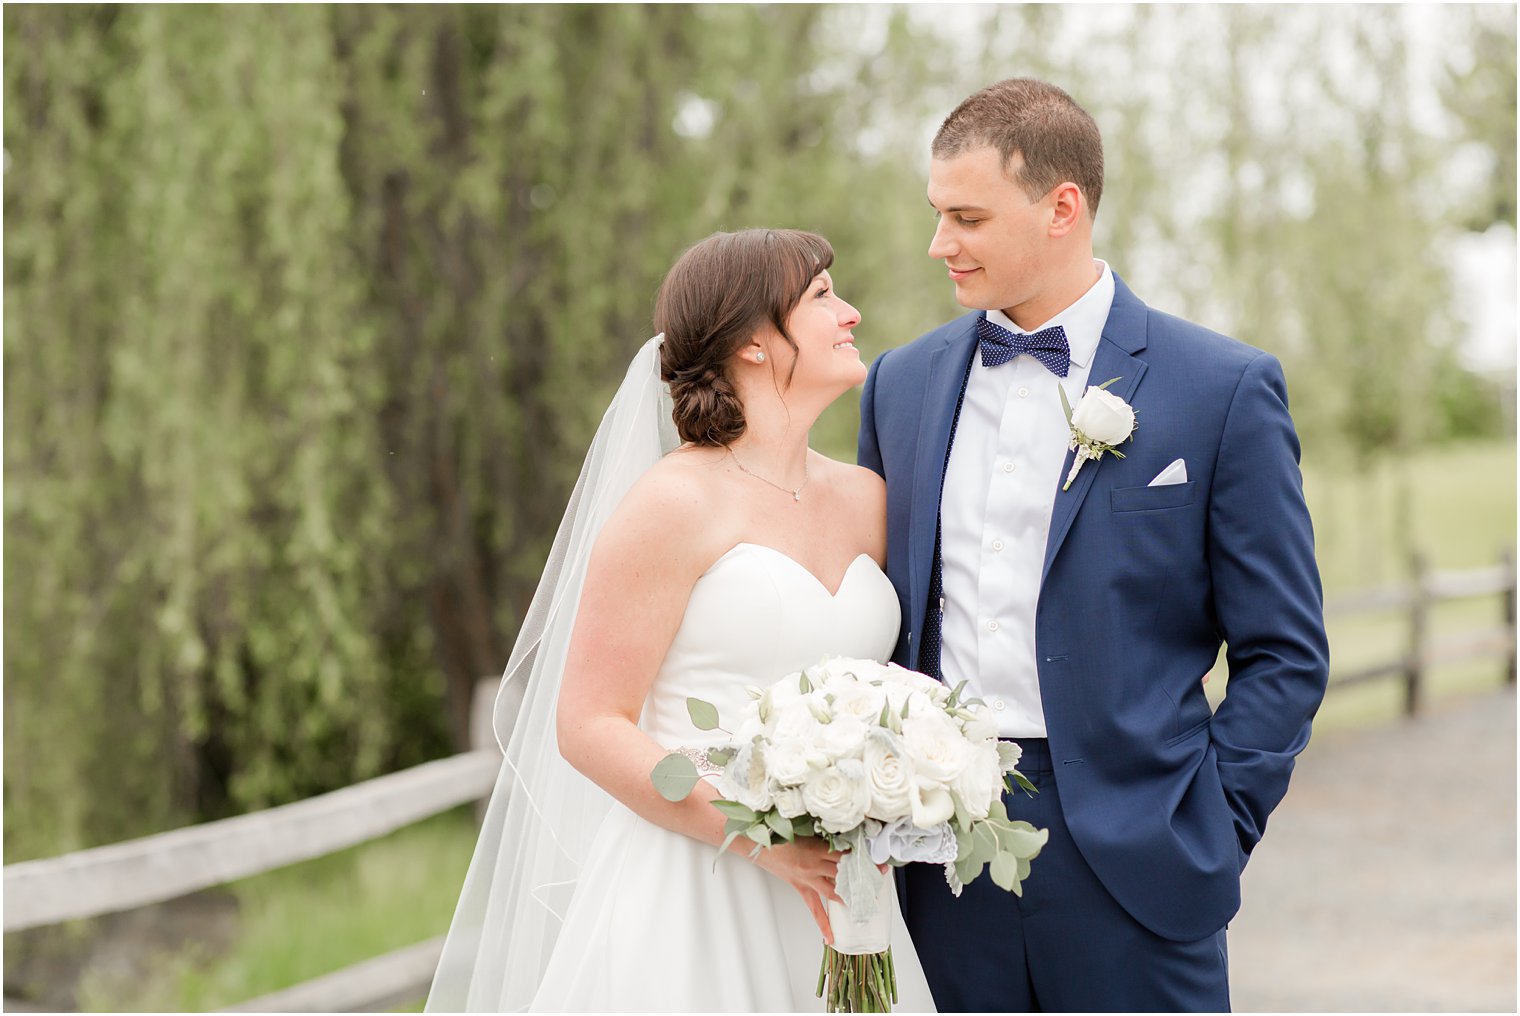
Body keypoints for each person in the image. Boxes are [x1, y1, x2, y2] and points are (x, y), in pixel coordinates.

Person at [858, 78, 1330, 1011]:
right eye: (936, 214)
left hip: (1139, 853)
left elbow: (1285, 650)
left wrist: (1215, 820)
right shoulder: (898, 386)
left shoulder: (1220, 389)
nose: (938, 244)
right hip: (934, 853)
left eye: (966, 217)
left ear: (1061, 208)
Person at [426, 228, 937, 1012]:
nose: (852, 312)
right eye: (823, 298)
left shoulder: (867, 498)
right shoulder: (673, 504)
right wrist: (763, 840)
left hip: (846, 892)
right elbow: (589, 723)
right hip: (696, 893)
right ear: (755, 344)